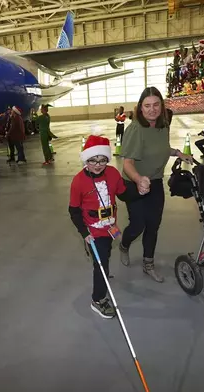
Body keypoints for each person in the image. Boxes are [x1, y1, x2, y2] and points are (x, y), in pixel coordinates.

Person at [119, 87, 192, 283]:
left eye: (156, 105)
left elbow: (161, 147)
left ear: (161, 105)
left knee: (153, 224)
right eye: (147, 106)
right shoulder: (135, 130)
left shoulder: (162, 125)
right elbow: (127, 163)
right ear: (140, 108)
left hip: (155, 182)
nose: (152, 110)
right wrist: (139, 179)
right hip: (134, 184)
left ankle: (148, 264)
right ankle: (124, 245)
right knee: (138, 225)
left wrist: (178, 153)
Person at [69, 134, 139, 319]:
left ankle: (104, 273)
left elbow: (123, 193)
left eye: (102, 160)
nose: (98, 165)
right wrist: (84, 233)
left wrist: (140, 187)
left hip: (110, 227)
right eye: (93, 160)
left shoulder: (113, 173)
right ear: (86, 160)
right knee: (100, 265)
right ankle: (97, 300)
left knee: (106, 254)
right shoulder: (78, 181)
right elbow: (74, 211)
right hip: (93, 231)